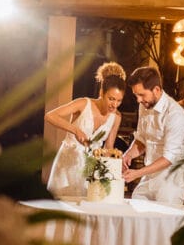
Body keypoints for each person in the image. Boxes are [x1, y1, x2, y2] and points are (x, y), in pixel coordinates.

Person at [43, 61, 126, 199]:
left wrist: (115, 164)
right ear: (102, 93)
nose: (114, 105)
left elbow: (109, 147)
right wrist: (75, 130)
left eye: (119, 101)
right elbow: (50, 116)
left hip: (90, 167)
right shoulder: (83, 103)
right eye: (111, 99)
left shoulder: (116, 117)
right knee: (62, 206)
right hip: (69, 161)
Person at [122, 65, 184, 206]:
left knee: (164, 225)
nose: (138, 100)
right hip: (149, 176)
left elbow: (169, 158)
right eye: (136, 95)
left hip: (172, 179)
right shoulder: (144, 106)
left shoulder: (175, 115)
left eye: (141, 95)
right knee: (135, 210)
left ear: (157, 90)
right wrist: (127, 155)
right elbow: (141, 140)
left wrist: (137, 173)